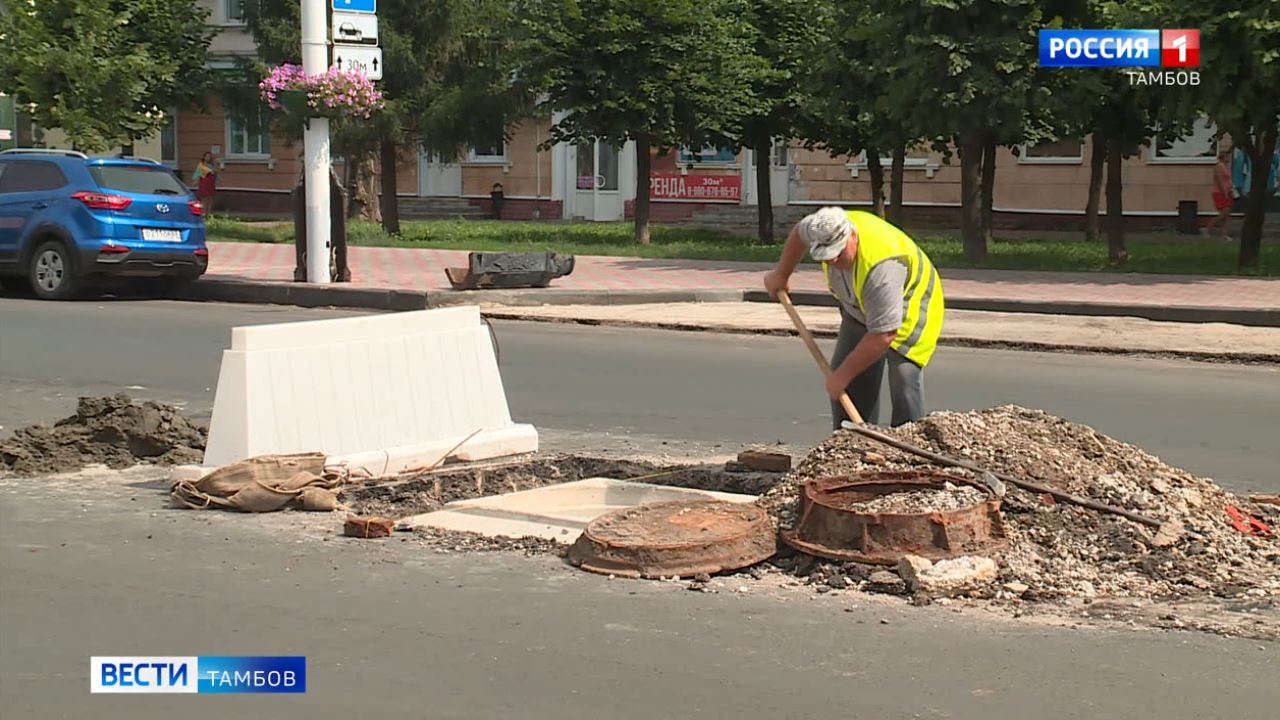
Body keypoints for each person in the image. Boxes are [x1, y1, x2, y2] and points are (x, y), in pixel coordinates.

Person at [764, 207, 945, 429]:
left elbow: (883, 335)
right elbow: (798, 234)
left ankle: (908, 443)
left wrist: (841, 376)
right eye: (827, 256)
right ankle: (853, 441)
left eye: (838, 252)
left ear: (852, 236)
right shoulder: (822, 226)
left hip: (913, 303)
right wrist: (781, 274)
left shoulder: (882, 270)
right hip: (859, 305)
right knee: (850, 376)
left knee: (903, 377)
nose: (833, 261)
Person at [1204, 149, 1235, 240]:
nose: (1229, 158)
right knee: (1223, 213)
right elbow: (1219, 180)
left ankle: (1224, 235)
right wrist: (1224, 192)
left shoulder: (1226, 167)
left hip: (1228, 192)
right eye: (1227, 156)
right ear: (1223, 157)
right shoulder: (1219, 166)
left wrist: (1231, 190)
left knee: (1227, 215)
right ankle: (1207, 228)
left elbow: (1228, 180)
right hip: (1219, 192)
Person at [192, 151, 219, 215]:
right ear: (204, 157)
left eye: (210, 156)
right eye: (207, 156)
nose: (208, 158)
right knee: (204, 197)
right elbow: (198, 174)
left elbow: (216, 172)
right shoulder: (201, 165)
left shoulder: (212, 165)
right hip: (204, 182)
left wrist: (215, 165)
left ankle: (208, 213)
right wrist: (196, 181)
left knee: (210, 197)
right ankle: (203, 213)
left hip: (211, 182)